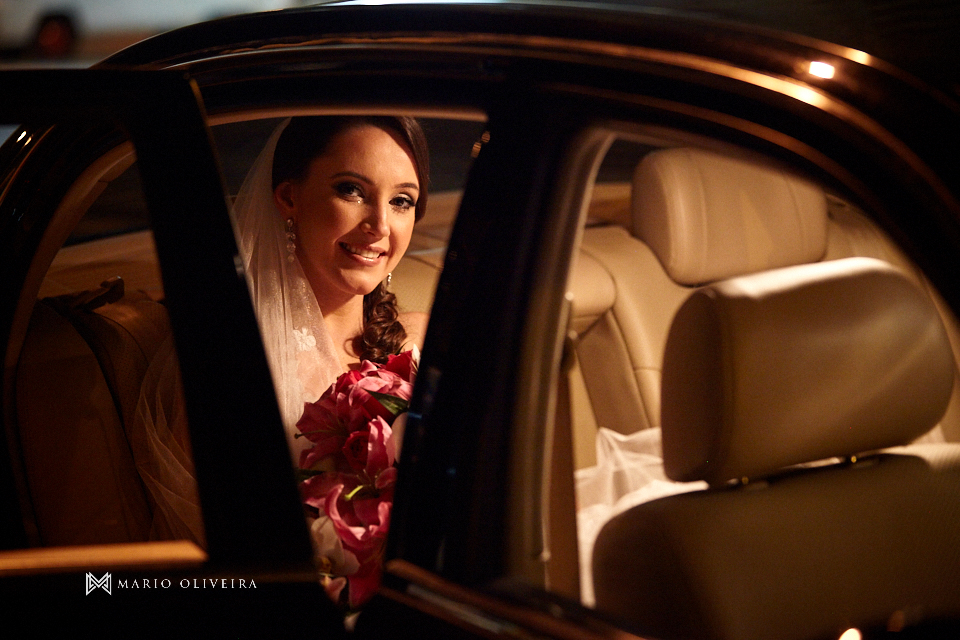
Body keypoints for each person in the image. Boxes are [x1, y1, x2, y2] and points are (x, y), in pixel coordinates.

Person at [132, 115, 430, 545]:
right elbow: (213, 547)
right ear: (290, 197)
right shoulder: (232, 365)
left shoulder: (420, 345)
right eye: (352, 190)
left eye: (401, 201)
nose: (380, 225)